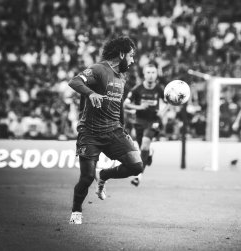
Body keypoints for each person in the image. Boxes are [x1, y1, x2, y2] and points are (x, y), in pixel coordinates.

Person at [68, 36, 143, 224]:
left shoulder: (122, 77)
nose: (133, 60)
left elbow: (118, 106)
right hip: (91, 133)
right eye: (131, 56)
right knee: (86, 178)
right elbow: (75, 81)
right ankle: (76, 212)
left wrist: (123, 127)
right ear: (121, 54)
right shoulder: (98, 69)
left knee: (136, 166)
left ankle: (104, 175)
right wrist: (91, 93)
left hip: (114, 131)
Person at [123, 63, 167, 186]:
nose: (151, 75)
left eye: (153, 72)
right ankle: (150, 153)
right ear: (144, 74)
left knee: (144, 146)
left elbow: (168, 102)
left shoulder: (159, 89)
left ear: (156, 74)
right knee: (143, 148)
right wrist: (139, 107)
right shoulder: (137, 89)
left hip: (153, 122)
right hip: (139, 122)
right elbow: (126, 104)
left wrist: (162, 112)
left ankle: (138, 176)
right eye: (148, 72)